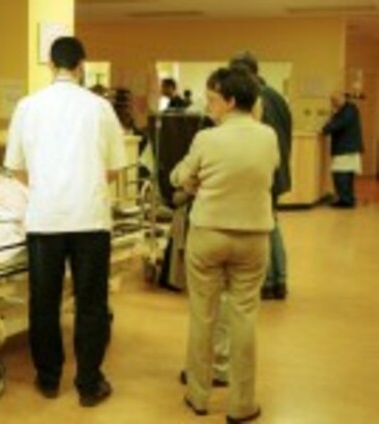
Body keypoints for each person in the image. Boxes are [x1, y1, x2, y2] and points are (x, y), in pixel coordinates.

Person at [4, 36, 126, 408]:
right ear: (81, 66)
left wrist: (48, 187)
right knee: (91, 303)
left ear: (50, 65)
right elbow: (114, 168)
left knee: (44, 302)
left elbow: (17, 169)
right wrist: (85, 185)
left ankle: (48, 379)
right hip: (90, 219)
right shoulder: (100, 108)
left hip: (45, 219)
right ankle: (89, 384)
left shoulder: (27, 107)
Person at [171, 67, 278, 423]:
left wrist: (193, 181)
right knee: (244, 318)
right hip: (254, 237)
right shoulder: (268, 137)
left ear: (231, 101)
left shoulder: (207, 139)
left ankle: (198, 396)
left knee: (203, 315)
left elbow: (181, 177)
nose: (208, 104)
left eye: (213, 98)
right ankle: (241, 404)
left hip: (209, 235)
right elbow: (268, 173)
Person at [230, 51, 293, 301]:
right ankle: (279, 280)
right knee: (271, 224)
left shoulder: (255, 100)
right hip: (278, 170)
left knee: (263, 227)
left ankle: (268, 281)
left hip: (264, 173)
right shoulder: (277, 97)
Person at [319, 90, 364, 208]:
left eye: (334, 101)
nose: (333, 104)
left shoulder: (348, 110)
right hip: (348, 148)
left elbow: (337, 124)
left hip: (346, 148)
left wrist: (325, 129)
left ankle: (345, 201)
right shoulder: (348, 109)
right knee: (346, 176)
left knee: (341, 175)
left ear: (341, 99)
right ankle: (347, 199)